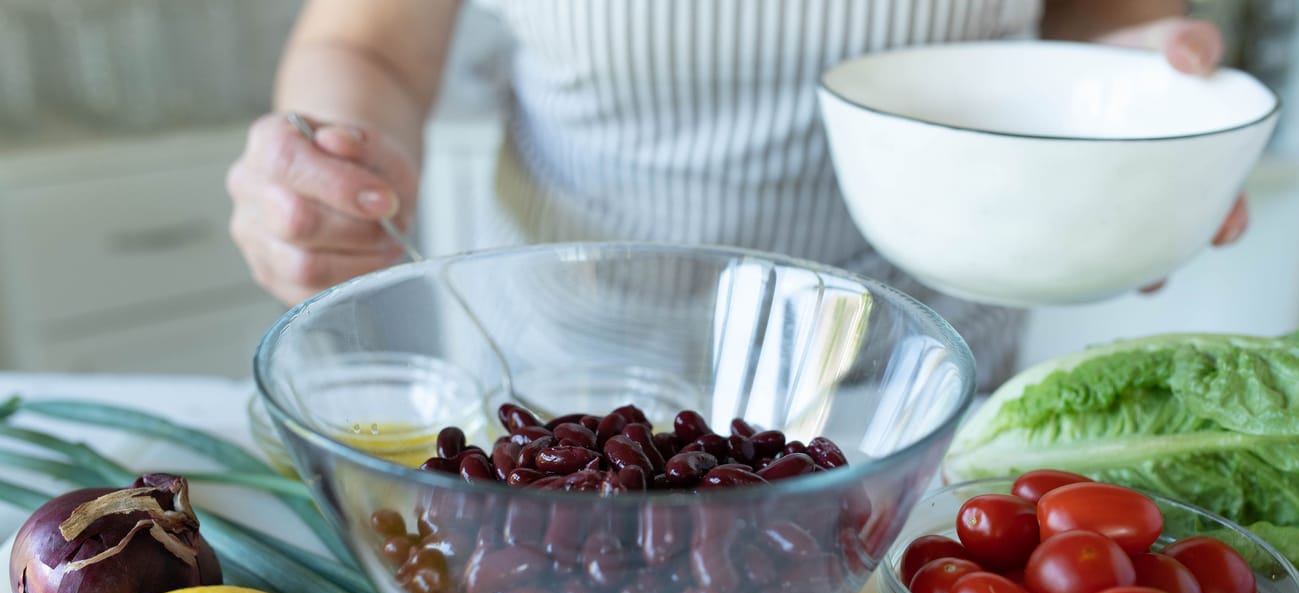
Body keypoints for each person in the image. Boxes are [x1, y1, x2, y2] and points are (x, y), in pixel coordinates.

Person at [227, 0, 1247, 388]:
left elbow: (1100, 10)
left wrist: (1128, 96)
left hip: (914, 378)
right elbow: (366, 43)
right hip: (576, 371)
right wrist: (332, 153)